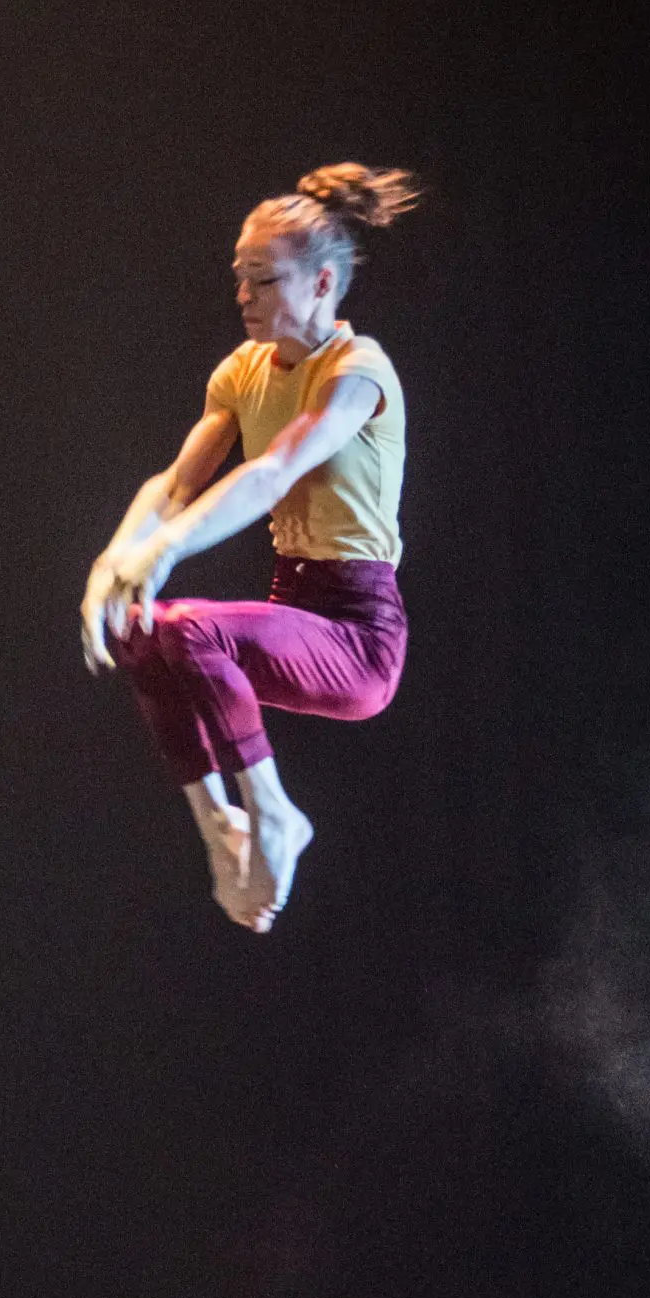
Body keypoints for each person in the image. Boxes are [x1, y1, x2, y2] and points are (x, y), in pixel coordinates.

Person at [80, 162, 419, 932]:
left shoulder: (359, 373)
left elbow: (274, 472)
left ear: (324, 285)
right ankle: (218, 828)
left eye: (262, 279)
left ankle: (275, 815)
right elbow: (174, 483)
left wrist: (163, 551)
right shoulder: (242, 373)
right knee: (145, 631)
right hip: (291, 614)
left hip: (359, 637)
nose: (243, 297)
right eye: (239, 278)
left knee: (194, 627)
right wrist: (116, 557)